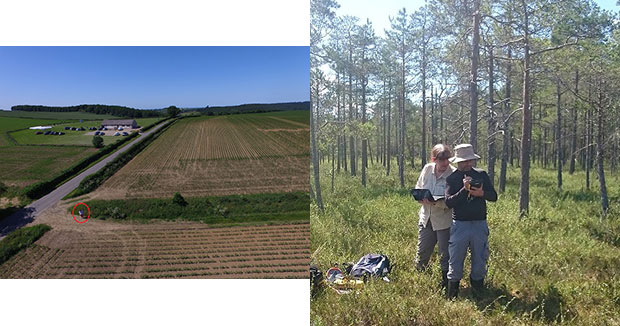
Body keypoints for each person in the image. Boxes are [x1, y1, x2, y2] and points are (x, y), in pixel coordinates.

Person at [444, 144, 497, 298]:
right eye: (464, 161)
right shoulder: (452, 179)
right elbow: (449, 202)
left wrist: (481, 193)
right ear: (457, 162)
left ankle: (478, 292)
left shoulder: (481, 175)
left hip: (479, 224)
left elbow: (493, 196)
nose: (467, 164)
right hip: (460, 225)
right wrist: (464, 190)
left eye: (469, 160)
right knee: (455, 260)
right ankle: (452, 294)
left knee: (480, 259)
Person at [414, 144, 456, 288]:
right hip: (426, 218)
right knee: (422, 253)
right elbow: (419, 186)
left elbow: (453, 201)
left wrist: (435, 203)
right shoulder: (427, 169)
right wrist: (420, 197)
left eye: (447, 159)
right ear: (434, 159)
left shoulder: (453, 174)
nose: (445, 163)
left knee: (445, 255)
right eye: (441, 160)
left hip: (444, 221)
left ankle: (446, 285)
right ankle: (420, 284)